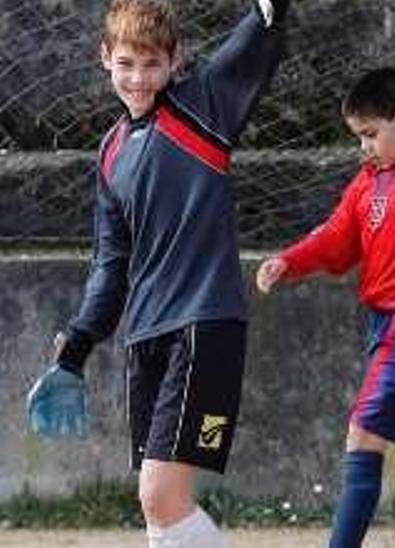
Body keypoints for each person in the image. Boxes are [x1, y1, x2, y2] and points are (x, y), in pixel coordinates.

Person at [24, 1, 288, 546]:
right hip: (144, 336)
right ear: (104, 59)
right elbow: (110, 265)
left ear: (176, 62)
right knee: (157, 511)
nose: (138, 78)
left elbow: (261, 26)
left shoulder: (205, 105)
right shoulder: (111, 152)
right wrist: (75, 349)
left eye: (151, 64)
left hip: (204, 324)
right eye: (126, 64)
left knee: (160, 495)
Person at [255, 67, 395, 548]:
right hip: (385, 328)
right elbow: (335, 237)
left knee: (363, 434)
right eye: (359, 137)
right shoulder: (368, 183)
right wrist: (288, 261)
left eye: (371, 134)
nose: (364, 146)